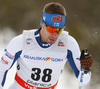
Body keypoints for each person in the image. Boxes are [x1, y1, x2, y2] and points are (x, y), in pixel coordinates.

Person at [0, 2, 93, 89]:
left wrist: (86, 69)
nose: (55, 35)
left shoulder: (69, 44)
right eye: (51, 29)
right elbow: (2, 68)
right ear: (42, 24)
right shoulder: (21, 41)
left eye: (59, 30)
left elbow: (84, 81)